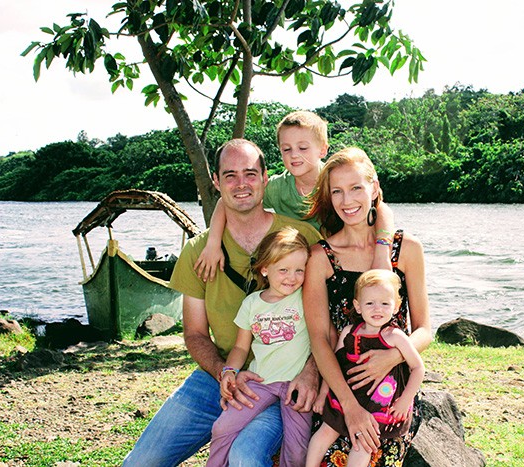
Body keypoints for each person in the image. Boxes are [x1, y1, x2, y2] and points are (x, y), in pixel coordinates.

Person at [123, 139, 322, 467]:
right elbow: (196, 334)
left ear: (265, 177)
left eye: (250, 174)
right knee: (140, 463)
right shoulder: (198, 251)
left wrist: (312, 371)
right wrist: (223, 372)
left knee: (246, 455)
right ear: (216, 182)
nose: (241, 184)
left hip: (283, 376)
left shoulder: (300, 237)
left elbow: (329, 314)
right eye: (230, 175)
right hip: (219, 377)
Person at [303, 147, 432, 466]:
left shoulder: (408, 249)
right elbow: (319, 338)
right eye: (337, 191)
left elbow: (425, 329)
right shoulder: (320, 258)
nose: (347, 201)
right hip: (339, 392)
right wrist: (349, 406)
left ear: (374, 188)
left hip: (392, 393)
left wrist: (391, 356)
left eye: (356, 188)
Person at [194, 110, 395, 283]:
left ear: (323, 149)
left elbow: (380, 207)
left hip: (338, 261)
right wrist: (213, 244)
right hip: (298, 267)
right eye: (286, 149)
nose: (294, 155)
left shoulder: (335, 180)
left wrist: (382, 250)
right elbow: (227, 201)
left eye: (303, 148)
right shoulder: (277, 187)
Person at [207, 227, 313, 467]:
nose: (292, 277)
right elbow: (241, 348)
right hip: (260, 384)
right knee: (221, 427)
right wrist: (228, 372)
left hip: (295, 387)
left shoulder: (306, 296)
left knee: (297, 451)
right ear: (265, 269)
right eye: (283, 270)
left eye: (299, 270)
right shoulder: (252, 303)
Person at [306, 269, 425, 467]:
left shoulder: (395, 336)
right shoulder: (349, 333)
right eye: (370, 303)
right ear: (358, 306)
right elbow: (333, 365)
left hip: (379, 401)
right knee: (324, 432)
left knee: (363, 443)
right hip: (348, 395)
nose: (377, 309)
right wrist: (322, 394)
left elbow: (418, 368)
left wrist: (405, 400)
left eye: (385, 304)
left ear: (396, 307)